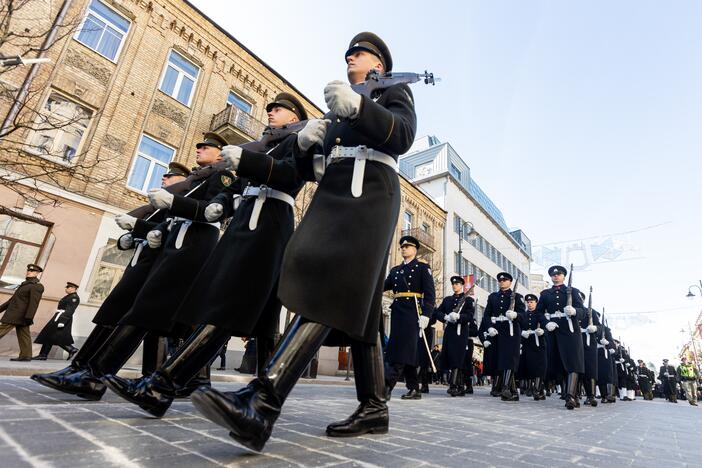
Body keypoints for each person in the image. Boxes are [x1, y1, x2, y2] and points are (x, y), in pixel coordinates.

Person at [190, 31, 417, 451]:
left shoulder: (392, 91)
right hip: (335, 195)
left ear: (379, 65)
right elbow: (309, 171)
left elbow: (402, 136)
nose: (350, 57)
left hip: (367, 195)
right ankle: (374, 407)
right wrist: (314, 144)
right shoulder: (337, 112)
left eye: (360, 53)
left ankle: (263, 402)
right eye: (348, 54)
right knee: (360, 309)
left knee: (327, 289)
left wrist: (361, 107)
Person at [102, 93, 310, 417]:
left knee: (235, 307)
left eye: (278, 109)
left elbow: (289, 176)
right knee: (244, 310)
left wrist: (247, 162)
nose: (270, 112)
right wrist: (222, 204)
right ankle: (255, 397)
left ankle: (166, 386)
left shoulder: (298, 142)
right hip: (244, 223)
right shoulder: (263, 145)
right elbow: (235, 186)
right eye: (268, 108)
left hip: (269, 221)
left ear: (295, 117)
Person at [33, 134, 233, 400]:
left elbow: (212, 210)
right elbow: (174, 215)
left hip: (195, 241)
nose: (199, 149)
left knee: (160, 314)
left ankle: (101, 376)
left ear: (220, 154)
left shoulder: (221, 176)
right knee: (151, 314)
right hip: (178, 239)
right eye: (198, 146)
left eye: (205, 147)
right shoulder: (200, 178)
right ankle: (99, 374)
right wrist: (150, 229)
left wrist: (171, 205)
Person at [31, 162, 189, 395]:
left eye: (171, 177)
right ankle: (82, 368)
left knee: (149, 324)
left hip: (157, 267)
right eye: (164, 175)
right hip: (141, 262)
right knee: (114, 314)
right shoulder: (158, 206)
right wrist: (131, 237)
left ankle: (137, 381)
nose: (164, 179)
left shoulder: (176, 204)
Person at [383, 235, 435, 400]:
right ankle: (414, 389)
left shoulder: (422, 268)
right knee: (406, 349)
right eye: (402, 246)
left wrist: (426, 315)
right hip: (398, 311)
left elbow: (430, 295)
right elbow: (383, 286)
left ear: (415, 249)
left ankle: (386, 386)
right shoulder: (395, 270)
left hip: (413, 312)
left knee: (400, 348)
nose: (404, 248)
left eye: (408, 246)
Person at [538, 265, 585, 409]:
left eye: (558, 274)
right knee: (559, 363)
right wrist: (546, 323)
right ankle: (569, 394)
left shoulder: (573, 291)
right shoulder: (546, 294)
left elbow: (583, 312)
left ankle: (571, 396)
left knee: (573, 362)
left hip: (570, 330)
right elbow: (539, 312)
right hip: (554, 330)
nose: (555, 276)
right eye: (553, 275)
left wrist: (575, 311)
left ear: (564, 276)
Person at [482, 272, 525, 401]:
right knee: (500, 360)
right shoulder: (493, 297)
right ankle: (512, 391)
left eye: (505, 280)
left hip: (511, 331)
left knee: (510, 360)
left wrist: (516, 315)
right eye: (500, 280)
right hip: (497, 330)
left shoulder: (517, 297)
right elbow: (487, 315)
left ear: (510, 282)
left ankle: (505, 387)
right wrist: (489, 326)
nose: (502, 282)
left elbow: (523, 315)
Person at [434, 276, 475, 397]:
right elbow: (438, 312)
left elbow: (470, 315)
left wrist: (459, 317)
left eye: (457, 284)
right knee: (450, 357)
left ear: (462, 285)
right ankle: (460, 386)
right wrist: (445, 317)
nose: (454, 286)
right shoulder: (447, 300)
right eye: (453, 284)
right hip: (450, 331)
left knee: (458, 358)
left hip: (461, 332)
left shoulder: (468, 300)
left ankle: (453, 385)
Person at [0, 264, 45, 361]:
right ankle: (26, 355)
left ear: (37, 273)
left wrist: (29, 317)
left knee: (1, 330)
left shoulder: (37, 286)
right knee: (24, 336)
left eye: (32, 271)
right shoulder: (25, 284)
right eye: (28, 270)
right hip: (17, 315)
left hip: (18, 315)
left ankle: (25, 355)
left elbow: (33, 304)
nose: (29, 272)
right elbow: (12, 300)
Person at [33, 281, 81, 360]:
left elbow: (70, 310)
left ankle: (71, 349)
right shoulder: (69, 296)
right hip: (58, 317)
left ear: (73, 288)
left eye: (68, 287)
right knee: (50, 335)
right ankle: (43, 354)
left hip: (62, 318)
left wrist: (62, 321)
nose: (66, 288)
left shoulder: (74, 298)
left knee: (55, 336)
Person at [518, 294, 548, 400]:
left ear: (536, 303)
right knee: (530, 367)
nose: (530, 304)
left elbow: (547, 325)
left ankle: (537, 389)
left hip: (539, 343)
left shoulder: (540, 314)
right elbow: (519, 327)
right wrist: (522, 333)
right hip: (527, 343)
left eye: (532, 302)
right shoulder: (523, 315)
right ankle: (536, 389)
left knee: (540, 367)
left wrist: (543, 331)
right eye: (528, 302)